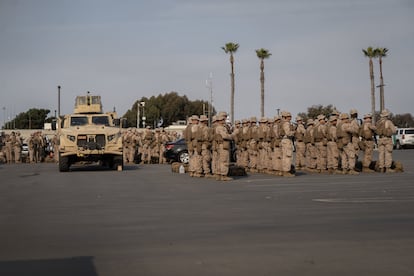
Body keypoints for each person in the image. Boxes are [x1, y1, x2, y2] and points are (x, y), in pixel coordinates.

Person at [214, 113, 233, 181]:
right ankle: (224, 175)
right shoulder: (221, 128)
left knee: (220, 160)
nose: (225, 120)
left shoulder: (218, 127)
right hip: (223, 145)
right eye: (224, 119)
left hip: (220, 145)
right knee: (224, 160)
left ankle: (219, 174)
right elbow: (224, 136)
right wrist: (231, 136)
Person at [280, 111, 295, 177]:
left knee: (285, 156)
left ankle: (284, 170)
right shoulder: (286, 123)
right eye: (289, 116)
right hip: (287, 140)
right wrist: (294, 132)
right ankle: (286, 171)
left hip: (284, 140)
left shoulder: (282, 123)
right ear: (285, 117)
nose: (290, 118)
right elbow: (288, 133)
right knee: (288, 156)